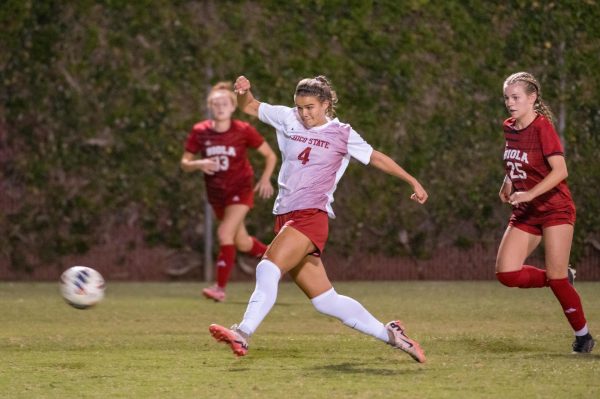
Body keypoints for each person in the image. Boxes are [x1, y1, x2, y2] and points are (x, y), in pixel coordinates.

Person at [208, 75, 429, 363]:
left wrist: (412, 181)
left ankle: (243, 332)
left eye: (310, 107)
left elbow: (375, 157)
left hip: (311, 215)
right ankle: (393, 335)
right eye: (299, 107)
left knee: (268, 269)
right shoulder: (287, 118)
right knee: (326, 301)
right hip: (285, 214)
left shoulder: (342, 134)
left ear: (326, 104)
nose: (304, 113)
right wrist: (243, 92)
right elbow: (249, 106)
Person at [496, 71, 594, 354]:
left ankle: (583, 335)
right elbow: (517, 158)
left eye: (516, 97)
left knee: (557, 279)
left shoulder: (542, 128)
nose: (510, 103)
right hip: (527, 211)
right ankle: (562, 275)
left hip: (554, 208)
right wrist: (509, 181)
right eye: (507, 98)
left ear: (532, 98)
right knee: (506, 274)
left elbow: (560, 171)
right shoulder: (510, 126)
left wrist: (530, 192)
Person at [181, 82, 277, 302]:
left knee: (224, 234)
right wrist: (199, 163)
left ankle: (219, 289)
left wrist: (264, 179)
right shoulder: (200, 131)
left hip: (240, 191)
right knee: (242, 242)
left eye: (225, 103)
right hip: (217, 196)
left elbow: (270, 155)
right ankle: (277, 258)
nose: (220, 107)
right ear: (210, 107)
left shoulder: (243, 130)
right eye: (216, 104)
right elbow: (185, 162)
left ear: (233, 107)